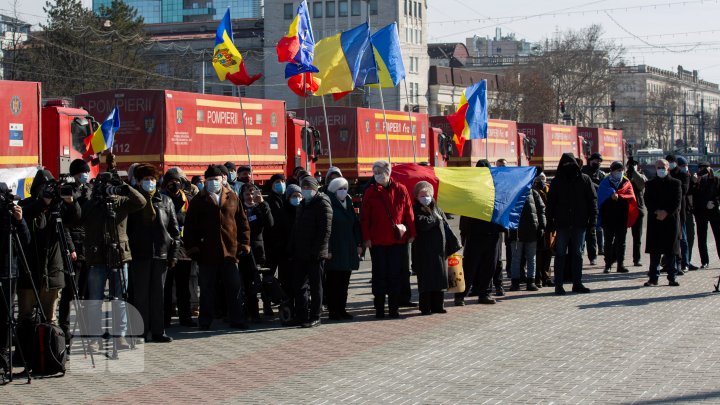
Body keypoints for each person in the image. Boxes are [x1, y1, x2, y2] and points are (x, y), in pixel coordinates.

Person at [82, 171, 146, 350]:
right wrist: (97, 199)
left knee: (120, 299)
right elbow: (78, 219)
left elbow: (141, 202)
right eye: (107, 185)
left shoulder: (121, 202)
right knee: (95, 299)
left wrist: (125, 189)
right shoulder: (92, 204)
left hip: (119, 255)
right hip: (97, 256)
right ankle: (94, 338)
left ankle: (120, 336)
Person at [183, 165, 251, 330]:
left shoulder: (232, 197)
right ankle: (205, 321)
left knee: (234, 287)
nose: (214, 182)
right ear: (206, 181)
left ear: (223, 180)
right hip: (207, 252)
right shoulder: (199, 200)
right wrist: (193, 248)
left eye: (216, 179)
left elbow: (242, 223)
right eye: (210, 179)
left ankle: (237, 319)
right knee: (207, 289)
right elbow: (189, 227)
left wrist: (244, 244)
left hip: (230, 251)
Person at [18, 170, 80, 327]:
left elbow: (75, 219)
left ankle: (50, 349)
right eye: (45, 187)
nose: (49, 191)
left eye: (52, 187)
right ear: (37, 188)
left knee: (50, 319)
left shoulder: (58, 207)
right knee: (26, 317)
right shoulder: (27, 204)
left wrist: (70, 202)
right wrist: (43, 202)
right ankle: (26, 350)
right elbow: (23, 217)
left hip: (53, 272)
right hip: (29, 272)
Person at [127, 164, 180, 343]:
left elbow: (174, 230)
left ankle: (158, 331)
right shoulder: (131, 200)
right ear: (138, 181)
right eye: (145, 179)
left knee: (159, 295)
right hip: (139, 255)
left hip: (161, 254)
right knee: (140, 296)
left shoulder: (165, 201)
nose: (149, 182)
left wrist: (173, 254)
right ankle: (140, 332)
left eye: (152, 179)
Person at [361, 160, 416, 318]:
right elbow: (365, 218)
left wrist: (412, 233)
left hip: (397, 241)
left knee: (395, 275)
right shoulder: (370, 191)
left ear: (388, 172)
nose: (377, 175)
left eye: (380, 171)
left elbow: (408, 213)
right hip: (377, 242)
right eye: (375, 172)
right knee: (379, 276)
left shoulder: (401, 189)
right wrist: (366, 238)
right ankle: (379, 309)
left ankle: (394, 308)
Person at [547, 153, 597, 294]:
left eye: (571, 165)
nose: (568, 168)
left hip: (579, 223)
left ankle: (577, 283)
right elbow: (551, 204)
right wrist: (550, 221)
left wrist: (592, 222)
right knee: (560, 254)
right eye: (566, 165)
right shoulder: (557, 181)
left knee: (577, 254)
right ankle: (559, 284)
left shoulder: (584, 180)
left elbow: (592, 202)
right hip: (562, 224)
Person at [456, 160, 504, 305]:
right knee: (470, 267)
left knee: (489, 266)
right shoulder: (472, 188)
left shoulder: (496, 188)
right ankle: (461, 295)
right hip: (476, 234)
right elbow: (465, 212)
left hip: (491, 234)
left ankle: (484, 294)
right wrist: (464, 233)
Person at [288, 176, 332, 327]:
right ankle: (301, 315)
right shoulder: (303, 204)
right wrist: (292, 247)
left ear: (315, 188)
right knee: (299, 285)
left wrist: (317, 250)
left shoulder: (322, 203)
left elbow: (325, 230)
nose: (306, 190)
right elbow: (296, 227)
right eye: (303, 187)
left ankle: (315, 316)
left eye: (309, 187)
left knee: (316, 285)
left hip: (315, 253)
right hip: (301, 251)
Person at [58, 159, 93, 340]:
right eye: (81, 173)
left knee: (86, 290)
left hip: (88, 246)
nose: (84, 175)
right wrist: (70, 247)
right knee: (71, 290)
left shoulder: (90, 191)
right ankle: (64, 326)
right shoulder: (68, 192)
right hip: (74, 246)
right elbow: (65, 225)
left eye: (86, 172)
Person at [161, 168, 197, 327]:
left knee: (183, 286)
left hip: (184, 248)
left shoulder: (189, 199)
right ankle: (165, 319)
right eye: (170, 182)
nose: (174, 184)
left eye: (177, 181)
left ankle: (185, 317)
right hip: (166, 247)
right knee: (166, 286)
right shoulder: (160, 200)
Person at [0, 183, 30, 365]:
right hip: (5, 270)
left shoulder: (12, 215)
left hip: (9, 272)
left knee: (6, 316)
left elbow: (25, 240)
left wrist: (19, 220)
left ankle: (3, 353)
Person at [411, 181, 450, 315]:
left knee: (439, 280)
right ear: (416, 196)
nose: (425, 198)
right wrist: (434, 219)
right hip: (424, 251)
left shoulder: (437, 208)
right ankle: (425, 307)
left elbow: (445, 224)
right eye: (422, 195)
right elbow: (422, 224)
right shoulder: (415, 209)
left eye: (427, 195)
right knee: (426, 281)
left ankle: (438, 306)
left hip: (439, 251)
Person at [325, 177, 361, 320]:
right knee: (333, 282)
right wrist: (327, 249)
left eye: (345, 188)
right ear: (334, 191)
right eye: (340, 188)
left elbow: (355, 225)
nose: (343, 191)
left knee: (345, 282)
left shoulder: (349, 203)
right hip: (334, 249)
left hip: (348, 248)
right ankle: (333, 311)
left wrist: (359, 244)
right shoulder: (329, 204)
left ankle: (342, 309)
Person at [644, 159, 682, 287]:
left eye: (663, 167)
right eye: (658, 167)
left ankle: (672, 277)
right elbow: (647, 200)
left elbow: (677, 201)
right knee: (655, 251)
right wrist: (657, 211)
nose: (661, 169)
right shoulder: (650, 184)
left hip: (670, 220)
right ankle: (653, 278)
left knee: (670, 250)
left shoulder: (676, 183)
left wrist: (666, 212)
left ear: (668, 169)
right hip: (655, 220)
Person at [239, 182, 273, 321]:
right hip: (243, 251)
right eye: (247, 194)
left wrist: (262, 204)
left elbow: (270, 224)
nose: (250, 197)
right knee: (247, 284)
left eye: (252, 193)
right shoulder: (239, 209)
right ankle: (252, 312)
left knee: (261, 281)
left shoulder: (260, 208)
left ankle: (267, 306)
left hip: (258, 251)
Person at [597, 161, 638, 274]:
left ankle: (621, 264)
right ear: (612, 171)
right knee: (608, 242)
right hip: (608, 217)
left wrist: (619, 197)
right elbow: (600, 197)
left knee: (621, 242)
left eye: (621, 170)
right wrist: (611, 195)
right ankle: (608, 265)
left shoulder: (626, 182)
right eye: (617, 170)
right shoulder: (605, 182)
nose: (620, 172)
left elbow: (630, 196)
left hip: (622, 217)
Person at [509, 181, 545, 292]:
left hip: (531, 231)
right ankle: (515, 282)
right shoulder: (512, 194)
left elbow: (541, 210)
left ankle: (531, 281)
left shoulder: (534, 193)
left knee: (530, 258)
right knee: (516, 259)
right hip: (517, 232)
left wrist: (542, 226)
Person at [264, 174, 293, 297]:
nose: (280, 184)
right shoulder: (268, 201)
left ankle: (284, 299)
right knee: (268, 275)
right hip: (272, 244)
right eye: (277, 181)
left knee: (285, 275)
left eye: (282, 181)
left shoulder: (288, 199)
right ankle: (267, 301)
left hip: (286, 245)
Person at [690, 161, 720, 269]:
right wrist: (694, 182)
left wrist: (715, 203)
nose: (704, 171)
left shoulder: (716, 180)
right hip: (701, 213)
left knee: (718, 236)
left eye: (706, 168)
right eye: (701, 169)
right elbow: (694, 197)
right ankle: (705, 261)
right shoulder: (697, 181)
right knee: (702, 238)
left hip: (715, 213)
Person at [672, 156, 697, 272]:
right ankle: (673, 262)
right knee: (676, 238)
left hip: (686, 211)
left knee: (686, 238)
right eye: (682, 166)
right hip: (676, 211)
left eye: (685, 166)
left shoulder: (688, 177)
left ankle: (686, 261)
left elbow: (686, 191)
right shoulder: (672, 176)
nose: (684, 168)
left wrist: (694, 182)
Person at [581, 152, 605, 265]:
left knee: (594, 232)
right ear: (591, 160)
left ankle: (593, 256)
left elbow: (604, 187)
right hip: (583, 205)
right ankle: (580, 254)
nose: (598, 163)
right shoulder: (583, 171)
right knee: (581, 232)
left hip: (596, 205)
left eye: (599, 161)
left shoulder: (601, 174)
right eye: (596, 161)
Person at [533, 173, 555, 287]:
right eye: (538, 178)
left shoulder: (550, 189)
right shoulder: (533, 191)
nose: (540, 180)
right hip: (539, 226)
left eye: (542, 178)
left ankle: (546, 277)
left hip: (550, 226)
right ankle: (538, 278)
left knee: (548, 252)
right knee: (539, 253)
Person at [627, 158, 647, 267]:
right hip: (625, 210)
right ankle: (616, 258)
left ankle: (637, 259)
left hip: (637, 210)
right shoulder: (623, 176)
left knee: (637, 238)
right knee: (619, 238)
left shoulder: (641, 176)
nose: (632, 166)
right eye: (630, 165)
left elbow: (641, 184)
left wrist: (634, 172)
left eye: (634, 164)